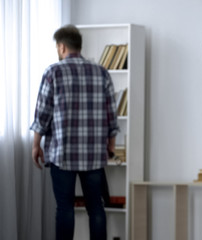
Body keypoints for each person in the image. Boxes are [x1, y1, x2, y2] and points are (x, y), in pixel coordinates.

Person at [30, 25, 119, 240]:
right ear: (79, 46)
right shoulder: (101, 72)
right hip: (94, 155)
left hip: (63, 154)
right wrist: (111, 145)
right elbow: (111, 114)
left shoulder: (53, 72)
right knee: (96, 208)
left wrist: (36, 145)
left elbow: (43, 113)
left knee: (65, 208)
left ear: (61, 47)